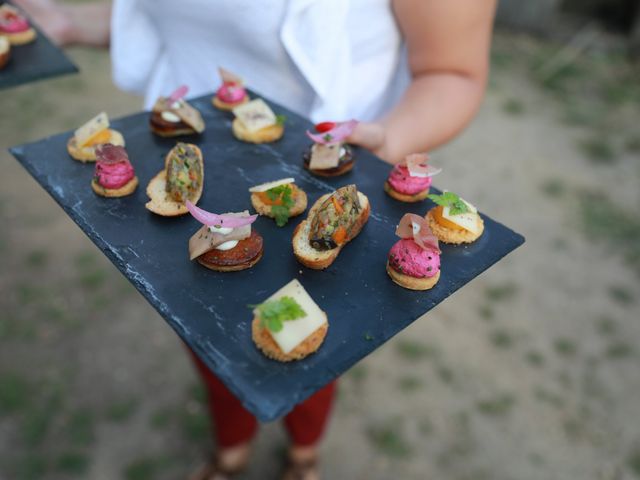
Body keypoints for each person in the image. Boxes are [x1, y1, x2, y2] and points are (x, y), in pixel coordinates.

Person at [15, 1, 496, 478]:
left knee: (319, 350)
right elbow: (148, 13)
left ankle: (305, 454)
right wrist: (73, 20)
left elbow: (452, 69)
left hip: (339, 157)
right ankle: (231, 451)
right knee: (207, 337)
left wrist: (388, 138)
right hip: (181, 152)